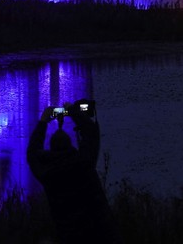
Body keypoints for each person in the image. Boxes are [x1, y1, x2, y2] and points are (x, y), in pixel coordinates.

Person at [26, 100, 121, 243]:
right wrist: (73, 112)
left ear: (51, 148)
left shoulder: (47, 172)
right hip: (100, 234)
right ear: (70, 144)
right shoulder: (83, 163)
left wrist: (43, 122)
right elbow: (91, 133)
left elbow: (32, 153)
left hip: (69, 236)